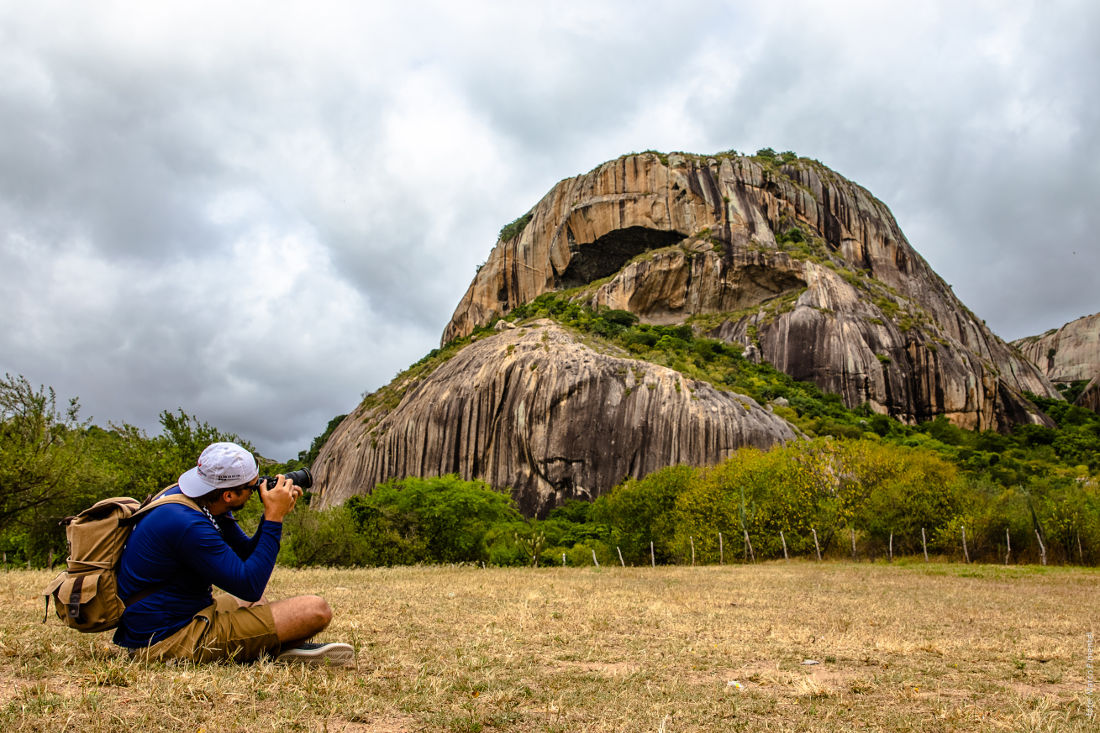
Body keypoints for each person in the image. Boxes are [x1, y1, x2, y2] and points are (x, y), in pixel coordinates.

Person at [113, 441, 353, 666]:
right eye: (251, 487)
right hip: (166, 638)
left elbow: (247, 555)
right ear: (228, 495)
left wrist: (270, 515)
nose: (256, 490)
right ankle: (268, 649)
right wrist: (274, 518)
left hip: (174, 618)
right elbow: (249, 584)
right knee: (315, 610)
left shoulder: (198, 499)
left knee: (256, 603)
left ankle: (267, 646)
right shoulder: (187, 524)